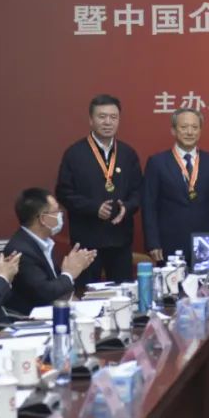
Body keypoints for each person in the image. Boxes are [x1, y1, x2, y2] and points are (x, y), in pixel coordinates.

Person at [56, 94, 143, 284]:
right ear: (91, 120)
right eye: (102, 117)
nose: (108, 122)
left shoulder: (127, 154)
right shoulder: (74, 153)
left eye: (113, 117)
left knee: (122, 292)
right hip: (87, 241)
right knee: (87, 293)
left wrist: (127, 207)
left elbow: (138, 192)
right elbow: (63, 193)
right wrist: (94, 208)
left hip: (120, 239)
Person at [143, 108, 209, 263]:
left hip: (206, 243)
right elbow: (149, 205)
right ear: (173, 130)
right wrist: (153, 242)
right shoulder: (157, 162)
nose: (189, 132)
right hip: (169, 243)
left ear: (200, 131)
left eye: (194, 127)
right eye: (184, 127)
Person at [4, 188, 96, 314]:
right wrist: (69, 273)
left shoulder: (44, 243)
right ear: (43, 219)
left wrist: (75, 268)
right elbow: (45, 293)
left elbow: (56, 285)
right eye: (56, 211)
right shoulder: (21, 250)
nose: (60, 216)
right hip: (33, 318)